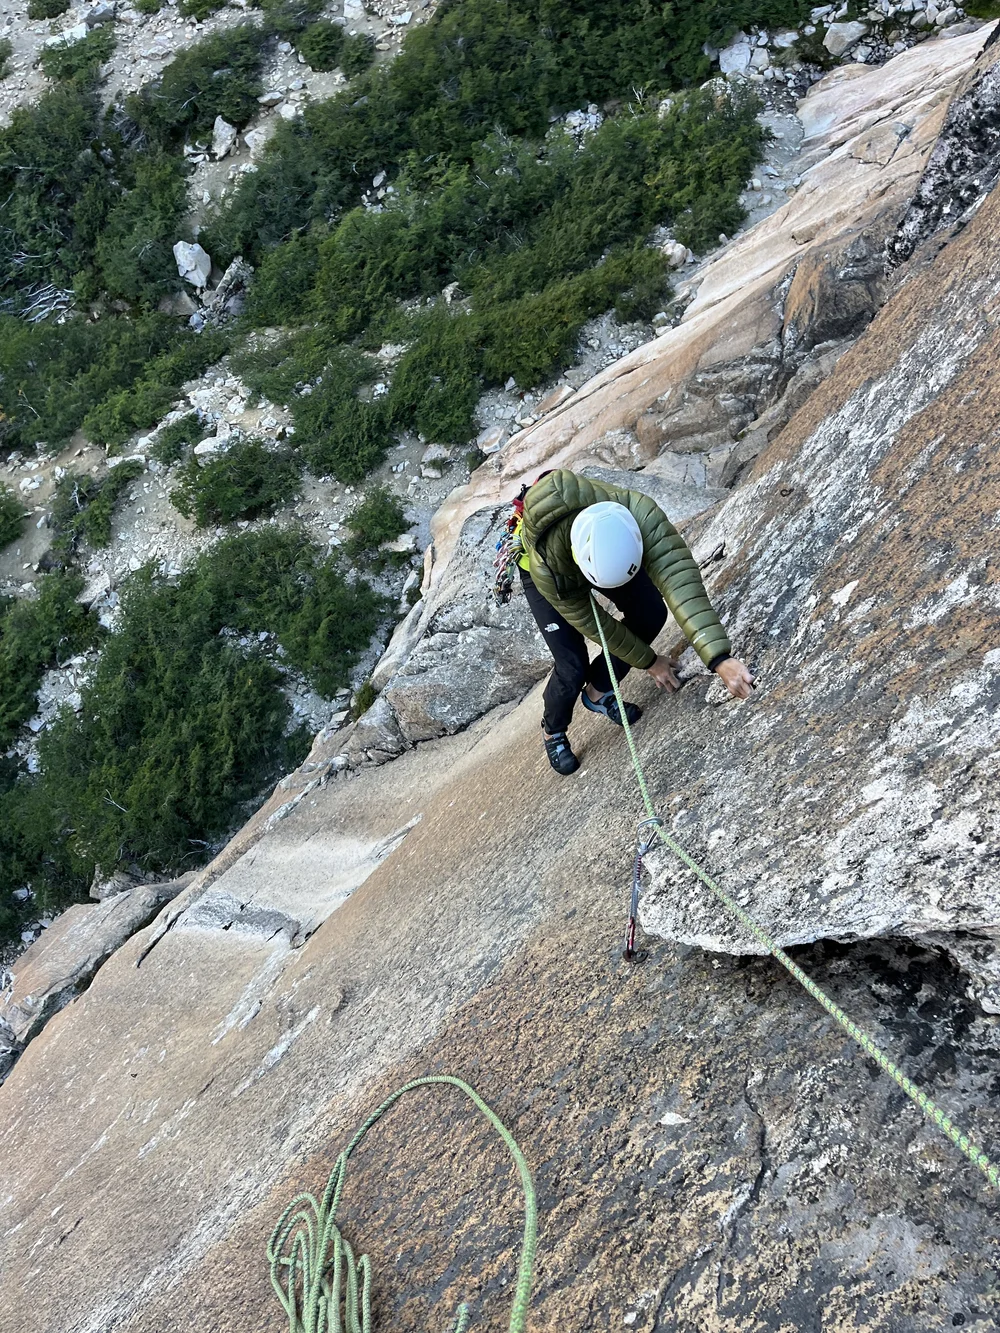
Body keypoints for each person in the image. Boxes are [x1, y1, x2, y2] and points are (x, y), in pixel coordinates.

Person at [516, 469, 753, 775]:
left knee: (650, 611)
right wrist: (650, 661)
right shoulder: (548, 569)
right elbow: (596, 625)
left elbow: (679, 580)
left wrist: (718, 657)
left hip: (600, 547)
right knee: (571, 665)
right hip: (546, 573)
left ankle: (599, 692)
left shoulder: (638, 513)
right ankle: (553, 729)